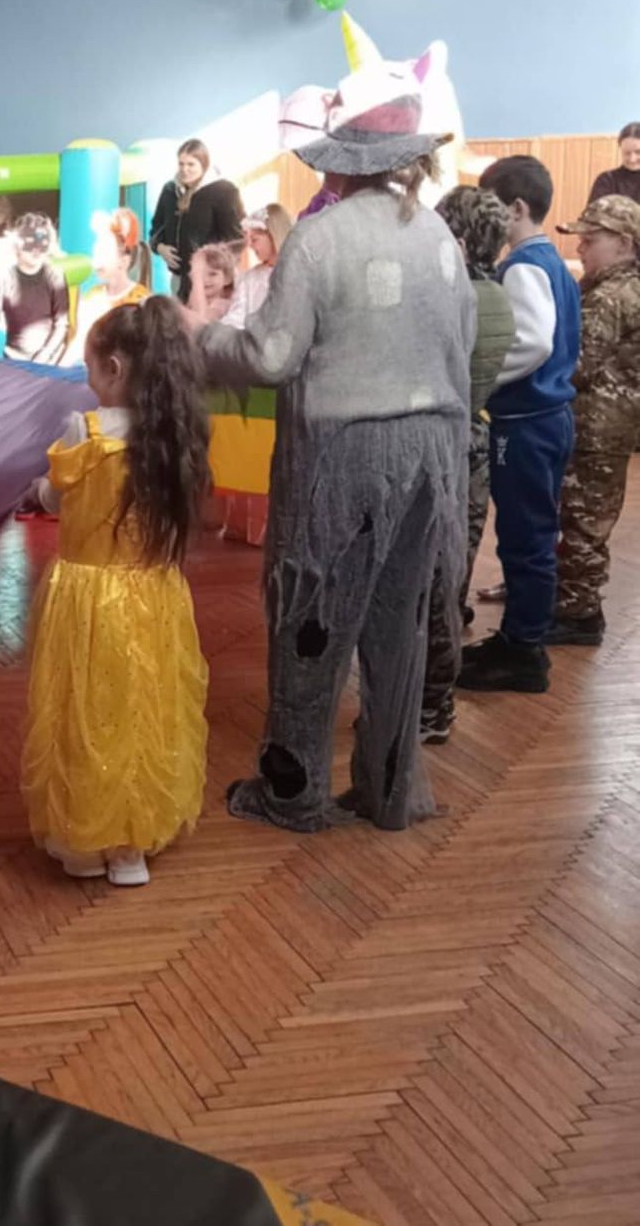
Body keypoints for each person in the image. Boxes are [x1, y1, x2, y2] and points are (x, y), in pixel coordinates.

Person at [193, 93, 475, 833]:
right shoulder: (438, 234)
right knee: (399, 624)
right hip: (431, 456)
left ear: (340, 164)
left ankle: (293, 792)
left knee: (310, 623)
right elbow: (463, 343)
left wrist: (204, 336)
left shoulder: (320, 238)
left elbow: (272, 357)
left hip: (343, 457)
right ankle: (389, 789)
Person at [21, 300, 210, 888]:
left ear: (115, 368)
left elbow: (55, 498)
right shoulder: (174, 434)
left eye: (89, 368)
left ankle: (82, 843)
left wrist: (37, 488)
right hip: (154, 599)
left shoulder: (86, 430)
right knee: (142, 713)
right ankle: (131, 849)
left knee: (84, 712)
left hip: (87, 598)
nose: (86, 379)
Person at [459, 157, 582, 695]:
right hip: (543, 416)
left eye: (493, 207)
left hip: (527, 420)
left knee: (525, 536)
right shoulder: (549, 260)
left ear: (516, 208)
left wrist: (479, 379)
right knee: (528, 532)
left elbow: (533, 343)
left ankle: (523, 650)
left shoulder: (524, 265)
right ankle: (519, 638)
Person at [419, 188, 516, 743]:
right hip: (474, 443)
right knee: (450, 584)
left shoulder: (455, 300)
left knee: (430, 587)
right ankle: (438, 704)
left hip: (441, 448)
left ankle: (425, 707)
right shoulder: (497, 294)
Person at [544, 196, 640, 648]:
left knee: (583, 519)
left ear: (624, 243)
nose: (581, 248)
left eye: (591, 239)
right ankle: (569, 599)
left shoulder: (611, 297)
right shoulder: (615, 287)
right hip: (604, 425)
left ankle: (578, 612)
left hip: (596, 427)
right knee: (584, 515)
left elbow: (577, 365)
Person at [148, 140, 244, 302]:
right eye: (181, 164)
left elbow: (235, 240)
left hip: (210, 283)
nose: (184, 169)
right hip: (178, 281)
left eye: (191, 164)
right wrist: (159, 247)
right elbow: (156, 229)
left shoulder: (223, 191)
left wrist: (211, 268)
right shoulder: (170, 191)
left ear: (204, 164)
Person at [0, 213, 69, 363]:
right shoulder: (4, 278)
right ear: (16, 247)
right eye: (29, 243)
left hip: (50, 360)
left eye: (42, 244)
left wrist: (44, 356)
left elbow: (61, 324)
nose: (36, 250)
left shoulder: (54, 276)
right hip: (13, 359)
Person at [64, 209, 150, 363]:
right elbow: (78, 343)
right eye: (96, 252)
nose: (97, 260)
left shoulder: (141, 300)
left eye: (104, 253)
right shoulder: (92, 296)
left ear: (124, 261)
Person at [225, 205, 293, 330]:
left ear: (273, 236)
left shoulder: (299, 274)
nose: (250, 245)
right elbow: (236, 317)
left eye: (254, 240)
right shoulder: (250, 279)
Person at [588, 123, 640, 206]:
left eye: (638, 152)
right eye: (627, 153)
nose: (632, 159)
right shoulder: (607, 180)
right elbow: (594, 212)